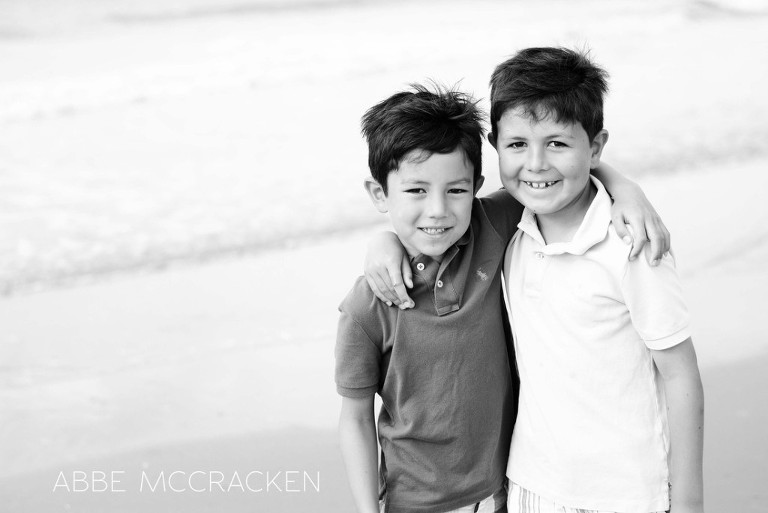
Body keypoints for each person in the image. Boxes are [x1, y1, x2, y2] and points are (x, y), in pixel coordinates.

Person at [338, 83, 670, 513]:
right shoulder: (366, 307)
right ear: (379, 194)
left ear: (476, 186)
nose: (438, 209)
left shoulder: (490, 226)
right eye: (417, 190)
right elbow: (355, 419)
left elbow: (558, 175)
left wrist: (626, 190)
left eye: (456, 190)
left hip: (504, 493)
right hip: (415, 502)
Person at [488, 47, 703, 513]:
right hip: (531, 483)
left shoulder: (632, 243)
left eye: (558, 144)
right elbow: (432, 222)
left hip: (624, 492)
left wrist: (689, 501)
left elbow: (680, 373)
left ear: (596, 147)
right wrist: (382, 244)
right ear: (495, 146)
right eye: (517, 144)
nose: (536, 163)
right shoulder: (508, 228)